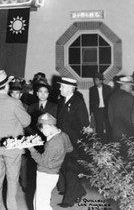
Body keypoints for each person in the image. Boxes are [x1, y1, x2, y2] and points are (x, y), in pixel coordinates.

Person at [0, 70, 31, 210]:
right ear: (6, 86)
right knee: (12, 179)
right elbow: (26, 121)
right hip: (13, 147)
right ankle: (12, 207)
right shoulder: (15, 103)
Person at [56, 77, 90, 208]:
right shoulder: (61, 101)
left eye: (62, 86)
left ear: (70, 88)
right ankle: (80, 191)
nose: (60, 88)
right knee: (64, 167)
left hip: (74, 142)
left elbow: (85, 122)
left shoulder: (78, 102)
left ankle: (69, 200)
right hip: (62, 140)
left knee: (70, 169)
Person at [28, 113, 73, 210]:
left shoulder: (53, 143)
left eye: (42, 130)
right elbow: (69, 149)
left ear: (47, 126)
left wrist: (31, 149)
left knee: (40, 205)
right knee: (43, 200)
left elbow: (42, 161)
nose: (43, 133)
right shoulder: (64, 135)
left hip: (45, 174)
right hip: (54, 173)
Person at [108, 76, 134, 142]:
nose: (131, 87)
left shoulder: (112, 96)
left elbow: (110, 115)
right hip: (128, 130)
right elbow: (133, 115)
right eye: (130, 85)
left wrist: (114, 126)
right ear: (124, 85)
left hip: (116, 130)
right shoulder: (129, 97)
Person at [88, 73, 112, 141]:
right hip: (97, 110)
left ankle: (109, 140)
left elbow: (110, 100)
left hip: (106, 109)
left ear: (101, 81)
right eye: (94, 80)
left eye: (97, 80)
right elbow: (91, 101)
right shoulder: (92, 89)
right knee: (99, 126)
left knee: (108, 125)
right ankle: (100, 141)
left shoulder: (108, 88)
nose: (95, 81)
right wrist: (91, 112)